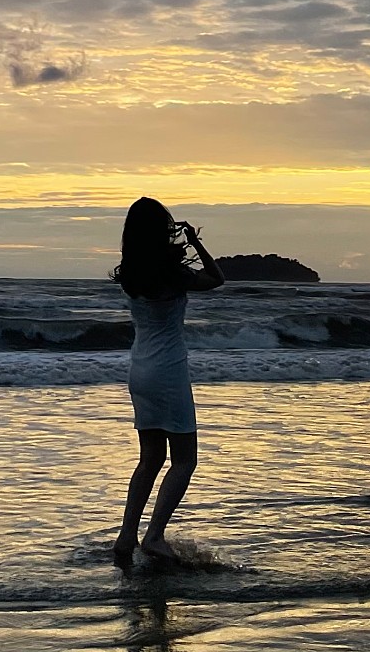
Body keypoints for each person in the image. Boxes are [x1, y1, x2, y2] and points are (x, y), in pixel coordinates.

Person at [110, 196, 224, 564]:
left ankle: (127, 535)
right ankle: (154, 535)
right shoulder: (173, 274)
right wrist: (194, 241)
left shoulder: (131, 274)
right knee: (185, 459)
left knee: (150, 458)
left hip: (139, 370)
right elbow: (216, 279)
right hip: (169, 372)